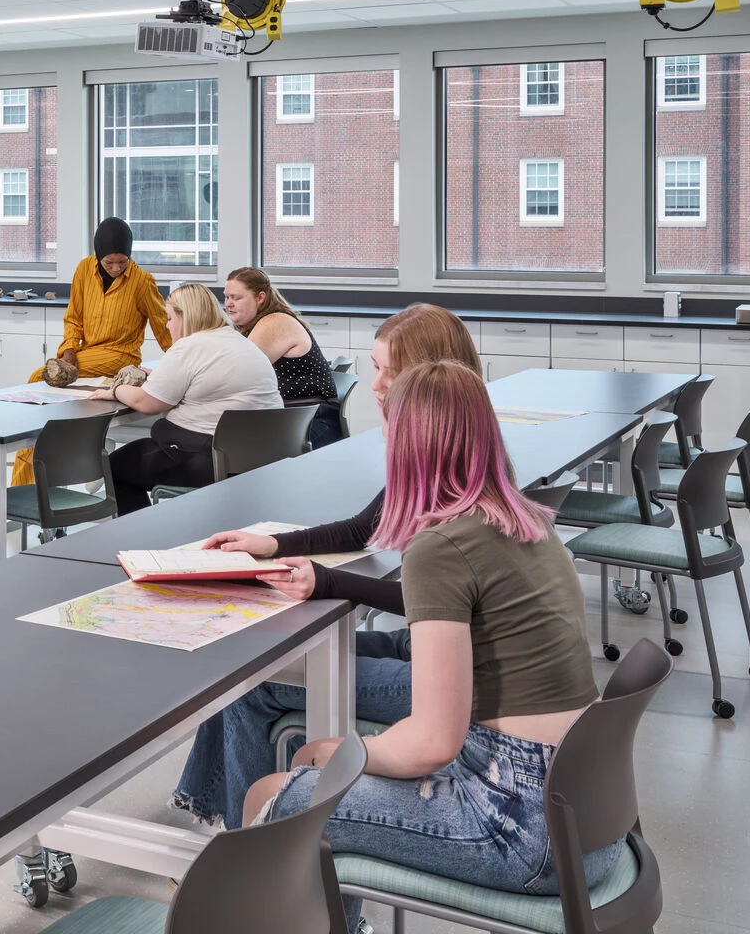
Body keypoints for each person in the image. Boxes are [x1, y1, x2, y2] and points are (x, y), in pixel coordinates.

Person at [238, 359, 614, 915]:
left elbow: (433, 743)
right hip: (588, 816)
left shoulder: (441, 548)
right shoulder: (530, 522)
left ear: (403, 443)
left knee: (270, 794)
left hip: (519, 824)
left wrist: (345, 753)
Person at [173, 302, 483, 826]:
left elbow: (433, 600)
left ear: (427, 378)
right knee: (254, 671)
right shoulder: (460, 456)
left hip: (458, 673)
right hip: (440, 650)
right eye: (375, 366)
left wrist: (328, 581)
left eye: (388, 370)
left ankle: (241, 841)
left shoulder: (448, 483)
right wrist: (272, 545)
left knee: (250, 683)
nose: (376, 385)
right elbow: (361, 528)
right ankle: (221, 825)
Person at [103, 283, 282, 513]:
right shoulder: (240, 342)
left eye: (169, 318)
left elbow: (144, 402)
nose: (167, 326)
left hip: (210, 460)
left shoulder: (190, 346)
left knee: (114, 466)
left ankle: (140, 541)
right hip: (261, 458)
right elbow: (208, 383)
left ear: (184, 316)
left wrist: (116, 389)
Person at [32, 217, 170, 382]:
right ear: (98, 256)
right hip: (88, 351)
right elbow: (74, 318)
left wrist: (183, 360)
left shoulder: (142, 281)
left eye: (122, 261)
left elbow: (163, 325)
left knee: (39, 377)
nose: (116, 268)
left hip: (120, 356)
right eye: (109, 262)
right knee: (50, 377)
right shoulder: (84, 269)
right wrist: (69, 348)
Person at [225, 267, 344, 449]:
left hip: (309, 423)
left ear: (260, 298)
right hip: (295, 419)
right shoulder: (261, 322)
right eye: (227, 297)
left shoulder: (275, 322)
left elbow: (236, 373)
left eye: (237, 298)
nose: (228, 304)